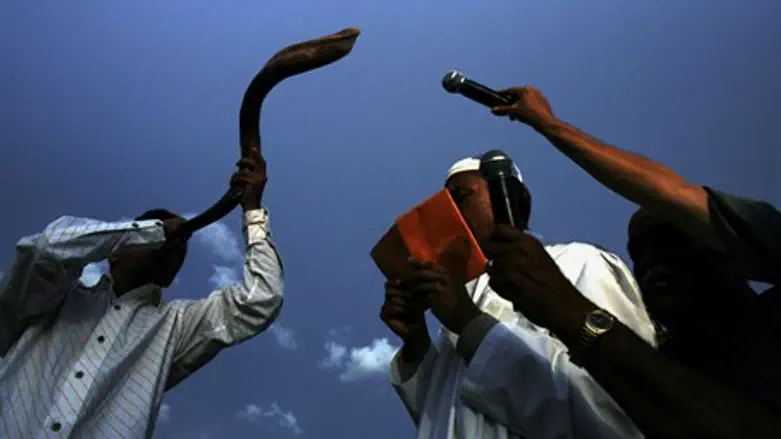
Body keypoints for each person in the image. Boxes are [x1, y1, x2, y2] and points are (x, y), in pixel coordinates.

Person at [486, 86, 781, 435]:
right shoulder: (667, 361)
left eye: (670, 242)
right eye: (638, 252)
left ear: (725, 252)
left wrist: (566, 308)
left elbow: (676, 196)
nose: (651, 263)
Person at [0, 150, 284, 439]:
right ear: (115, 253)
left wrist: (253, 211)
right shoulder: (53, 298)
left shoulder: (175, 327)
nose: (172, 245)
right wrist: (155, 231)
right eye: (158, 236)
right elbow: (44, 248)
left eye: (179, 248)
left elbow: (260, 300)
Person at [380, 156, 656, 439]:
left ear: (507, 198)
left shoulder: (577, 262)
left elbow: (617, 408)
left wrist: (469, 324)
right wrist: (416, 345)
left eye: (460, 198)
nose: (448, 216)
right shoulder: (456, 313)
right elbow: (448, 422)